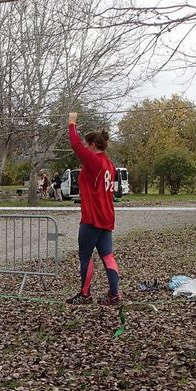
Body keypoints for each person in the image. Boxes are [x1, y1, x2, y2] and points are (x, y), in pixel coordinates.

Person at [66, 112, 121, 306]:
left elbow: (75, 145)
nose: (86, 148)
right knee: (107, 255)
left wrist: (72, 123)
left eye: (87, 144)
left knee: (85, 256)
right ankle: (114, 294)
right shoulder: (110, 165)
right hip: (107, 217)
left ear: (92, 145)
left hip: (92, 218)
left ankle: (85, 294)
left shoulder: (95, 162)